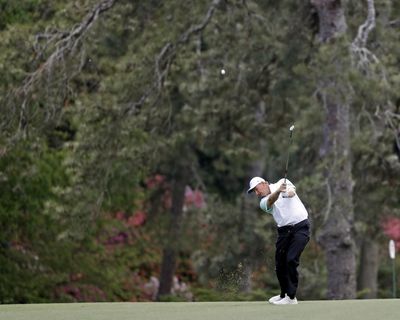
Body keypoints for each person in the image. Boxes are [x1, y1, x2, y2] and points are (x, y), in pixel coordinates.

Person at [247, 176, 310, 305]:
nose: (257, 193)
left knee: (291, 259)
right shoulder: (263, 202)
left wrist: (285, 192)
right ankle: (284, 294)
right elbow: (271, 200)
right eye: (254, 191)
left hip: (301, 227)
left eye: (256, 189)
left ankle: (291, 298)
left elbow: (292, 192)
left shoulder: (282, 182)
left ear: (264, 183)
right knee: (280, 265)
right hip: (284, 232)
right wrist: (278, 192)